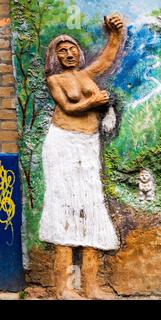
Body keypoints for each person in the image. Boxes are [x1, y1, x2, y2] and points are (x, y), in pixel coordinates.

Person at [39, 14, 125, 299]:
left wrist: (116, 34)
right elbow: (68, 107)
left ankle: (91, 286)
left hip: (88, 146)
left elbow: (107, 58)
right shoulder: (56, 80)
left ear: (79, 51)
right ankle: (64, 287)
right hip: (63, 145)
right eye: (61, 51)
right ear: (55, 56)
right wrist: (93, 101)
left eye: (72, 48)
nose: (68, 53)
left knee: (91, 208)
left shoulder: (86, 75)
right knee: (64, 208)